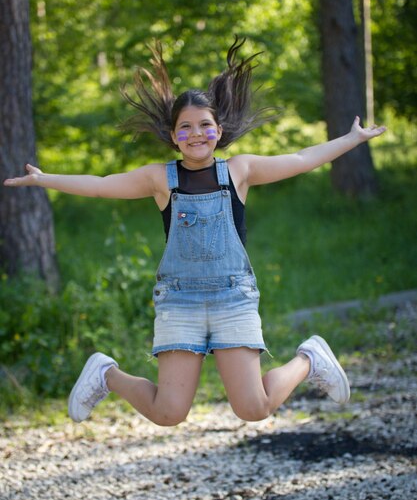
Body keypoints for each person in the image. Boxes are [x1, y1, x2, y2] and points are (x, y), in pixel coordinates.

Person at [4, 37, 386, 426]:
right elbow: (102, 183)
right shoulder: (160, 179)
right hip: (179, 304)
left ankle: (309, 359)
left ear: (219, 131)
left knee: (253, 408)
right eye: (185, 127)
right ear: (173, 136)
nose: (196, 133)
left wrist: (352, 139)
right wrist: (45, 179)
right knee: (168, 413)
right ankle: (106, 374)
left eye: (205, 125)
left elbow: (303, 159)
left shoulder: (239, 171)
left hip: (232, 300)